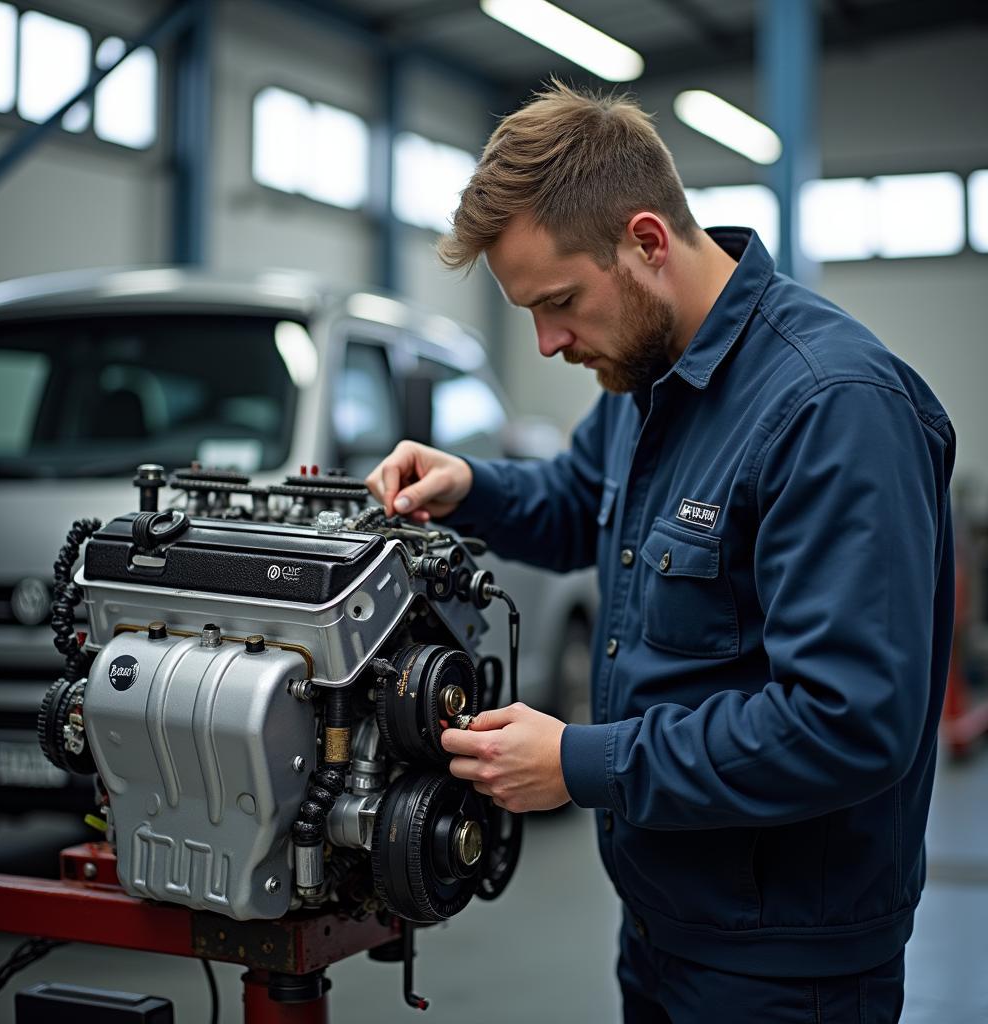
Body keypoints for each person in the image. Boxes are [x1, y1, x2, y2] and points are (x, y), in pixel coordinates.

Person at [365, 82, 955, 1024]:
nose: (548, 341)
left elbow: (847, 723)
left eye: (559, 302)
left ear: (646, 241)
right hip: (663, 922)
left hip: (785, 964)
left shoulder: (832, 408)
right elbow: (575, 506)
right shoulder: (649, 378)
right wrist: (472, 486)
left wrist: (581, 763)